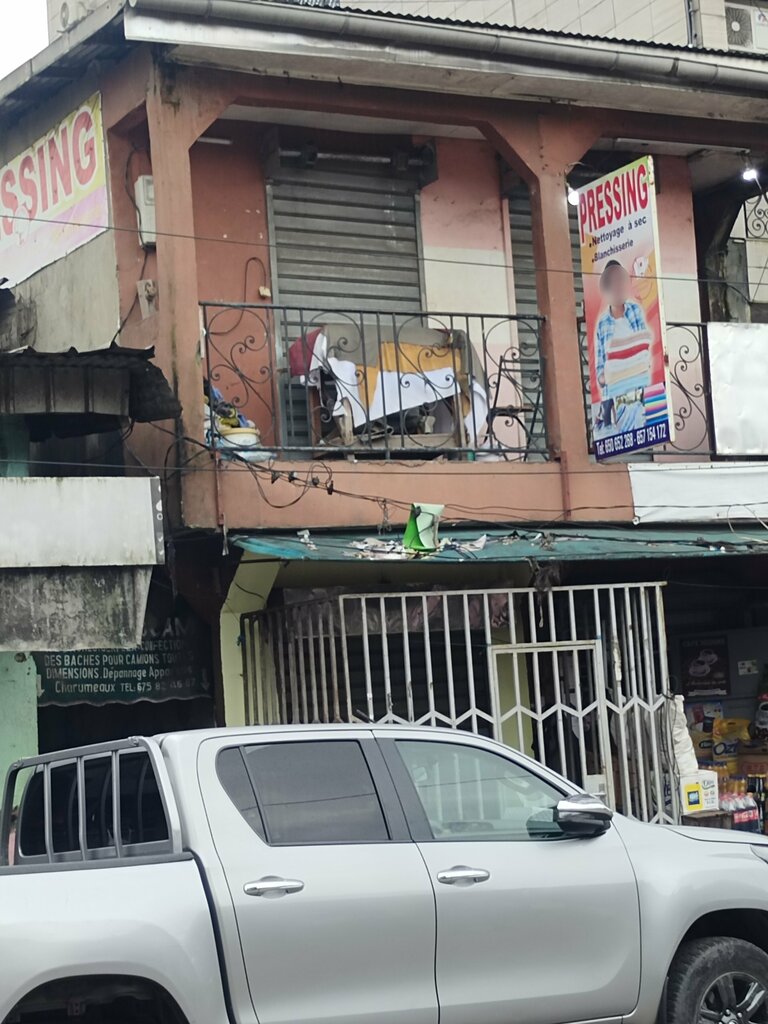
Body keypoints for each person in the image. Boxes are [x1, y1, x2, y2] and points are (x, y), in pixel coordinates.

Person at [594, 260, 650, 428]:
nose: (618, 286)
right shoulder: (603, 323)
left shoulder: (635, 311)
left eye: (621, 281)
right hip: (615, 391)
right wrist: (602, 377)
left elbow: (644, 345)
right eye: (613, 282)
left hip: (638, 386)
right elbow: (600, 362)